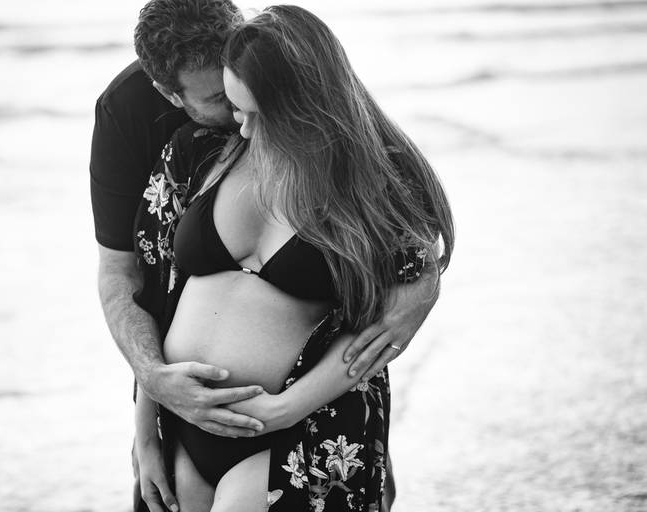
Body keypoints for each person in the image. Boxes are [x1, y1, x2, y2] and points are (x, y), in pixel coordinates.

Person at [91, 0, 439, 510]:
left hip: (298, 433)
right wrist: (146, 426)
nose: (242, 127)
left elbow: (389, 310)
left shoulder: (364, 178)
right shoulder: (190, 146)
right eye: (230, 105)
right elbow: (148, 286)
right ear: (171, 94)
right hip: (181, 429)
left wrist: (286, 409)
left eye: (255, 109)